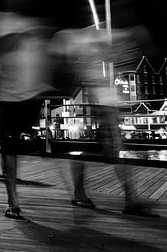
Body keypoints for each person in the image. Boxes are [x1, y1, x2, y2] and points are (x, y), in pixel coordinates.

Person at [51, 19, 158, 217]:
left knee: (88, 150)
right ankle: (128, 199)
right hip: (101, 103)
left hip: (104, 103)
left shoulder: (104, 37)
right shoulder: (91, 36)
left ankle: (82, 194)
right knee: (113, 150)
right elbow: (62, 47)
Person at [0, 0, 54, 219]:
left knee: (31, 146)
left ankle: (74, 192)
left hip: (31, 98)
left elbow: (45, 59)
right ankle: (13, 199)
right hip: (6, 100)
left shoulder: (37, 24)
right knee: (8, 148)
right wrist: (25, 37)